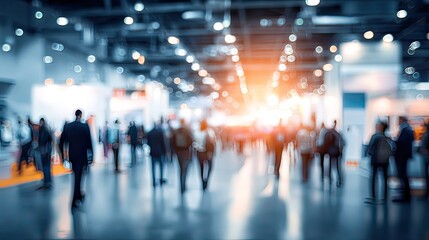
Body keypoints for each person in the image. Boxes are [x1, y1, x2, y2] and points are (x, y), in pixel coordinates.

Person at [59, 110, 93, 210]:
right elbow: (89, 143)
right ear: (81, 115)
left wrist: (63, 157)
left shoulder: (68, 126)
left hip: (72, 156)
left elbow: (61, 142)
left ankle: (78, 195)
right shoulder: (84, 126)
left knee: (77, 176)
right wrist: (91, 157)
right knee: (79, 176)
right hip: (82, 156)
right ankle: (75, 199)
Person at [365, 121, 394, 202]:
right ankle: (385, 197)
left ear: (380, 127)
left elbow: (370, 147)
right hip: (385, 160)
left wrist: (367, 154)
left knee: (373, 178)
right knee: (385, 178)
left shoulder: (375, 136)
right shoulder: (387, 137)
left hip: (376, 160)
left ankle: (373, 196)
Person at [393, 116, 415, 202]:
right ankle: (405, 195)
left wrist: (394, 141)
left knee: (403, 175)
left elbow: (402, 142)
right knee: (403, 174)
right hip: (404, 156)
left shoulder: (406, 130)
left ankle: (406, 196)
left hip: (402, 156)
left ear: (402, 120)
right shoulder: (408, 129)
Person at [171, 119, 193, 194]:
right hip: (185, 152)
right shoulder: (187, 130)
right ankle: (184, 184)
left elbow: (172, 142)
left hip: (178, 152)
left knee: (180, 168)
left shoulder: (176, 131)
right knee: (185, 168)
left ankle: (181, 185)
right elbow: (191, 141)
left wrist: (175, 150)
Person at [194, 119, 216, 190]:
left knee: (201, 168)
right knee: (210, 167)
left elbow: (194, 144)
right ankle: (206, 180)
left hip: (199, 153)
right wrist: (212, 152)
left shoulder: (197, 133)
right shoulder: (209, 132)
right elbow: (212, 143)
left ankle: (202, 182)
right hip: (207, 152)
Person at [324, 120, 345, 187]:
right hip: (337, 152)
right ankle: (339, 180)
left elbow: (326, 143)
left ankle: (330, 179)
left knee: (330, 166)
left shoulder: (329, 134)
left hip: (331, 152)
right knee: (337, 167)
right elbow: (342, 143)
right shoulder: (338, 134)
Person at [146, 122, 167, 188]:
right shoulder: (160, 132)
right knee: (161, 166)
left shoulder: (149, 133)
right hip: (160, 152)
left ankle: (154, 181)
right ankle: (161, 179)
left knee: (153, 167)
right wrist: (165, 152)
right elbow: (163, 143)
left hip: (153, 152)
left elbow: (148, 143)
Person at [38, 118, 53, 190]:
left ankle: (46, 183)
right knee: (47, 166)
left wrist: (42, 148)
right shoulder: (48, 127)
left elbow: (42, 139)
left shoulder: (43, 128)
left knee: (45, 166)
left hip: (45, 149)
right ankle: (48, 181)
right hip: (48, 149)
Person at [420, 121, 429, 199]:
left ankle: (426, 192)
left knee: (426, 175)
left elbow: (424, 146)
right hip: (426, 157)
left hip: (426, 158)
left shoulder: (426, 135)